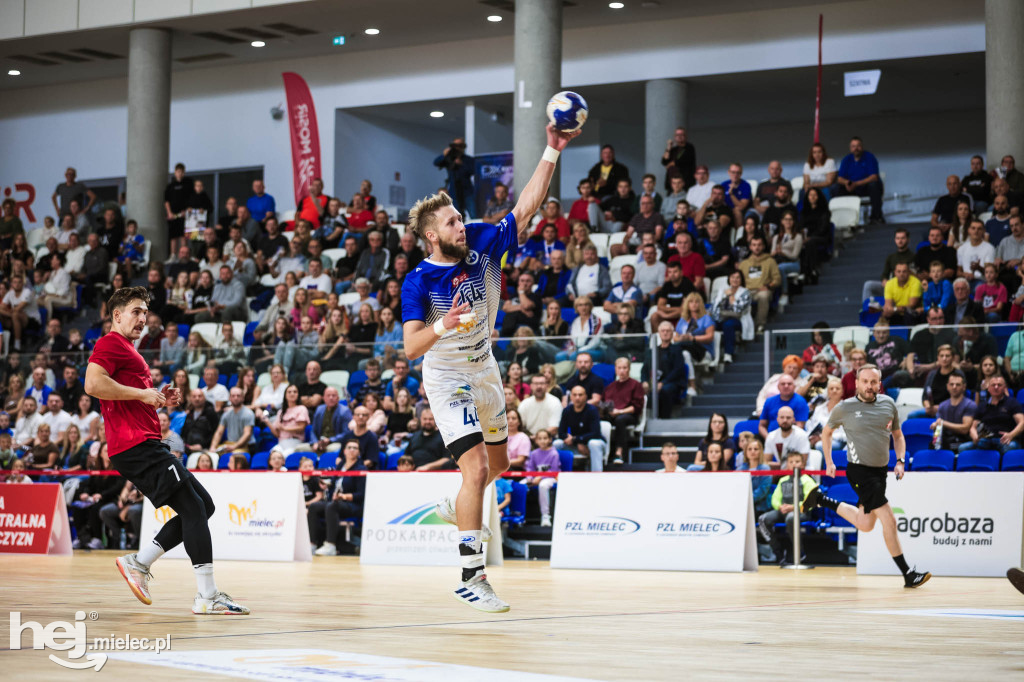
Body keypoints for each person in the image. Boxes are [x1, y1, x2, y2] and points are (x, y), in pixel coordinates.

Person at [398, 124, 580, 611]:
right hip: (447, 378)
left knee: (497, 467)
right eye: (454, 221)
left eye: (462, 218)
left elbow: (527, 207)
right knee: (477, 469)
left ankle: (456, 503)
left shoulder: (482, 241)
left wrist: (552, 149)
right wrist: (444, 324)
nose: (464, 224)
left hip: (486, 371)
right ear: (433, 236)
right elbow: (411, 348)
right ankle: (470, 576)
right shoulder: (418, 282)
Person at [84, 286, 248, 613]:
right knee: (195, 508)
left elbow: (128, 396)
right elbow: (92, 384)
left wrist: (157, 398)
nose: (143, 318)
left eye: (145, 312)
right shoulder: (110, 343)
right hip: (136, 445)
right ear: (117, 315)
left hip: (140, 443)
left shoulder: (129, 351)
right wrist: (142, 394)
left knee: (203, 506)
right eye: (135, 311)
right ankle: (205, 594)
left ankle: (141, 563)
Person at [806, 364, 931, 588]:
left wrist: (900, 461)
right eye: (865, 381)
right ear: (857, 383)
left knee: (865, 524)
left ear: (880, 383)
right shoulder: (845, 407)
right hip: (859, 471)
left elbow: (898, 436)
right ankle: (907, 573)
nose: (870, 386)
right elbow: (826, 433)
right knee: (889, 520)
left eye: (874, 382)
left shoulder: (888, 404)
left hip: (880, 471)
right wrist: (830, 461)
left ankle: (821, 499)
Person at [310, 438, 367, 556]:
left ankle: (330, 545)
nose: (351, 450)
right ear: (344, 451)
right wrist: (327, 485)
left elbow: (361, 494)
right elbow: (335, 483)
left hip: (352, 505)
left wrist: (344, 496)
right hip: (335, 501)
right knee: (314, 507)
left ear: (359, 452)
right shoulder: (340, 466)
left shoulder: (361, 469)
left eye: (355, 448)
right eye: (349, 447)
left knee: (332, 506)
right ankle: (312, 543)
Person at [757, 451, 816, 564]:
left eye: (797, 461)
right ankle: (778, 551)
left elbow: (811, 501)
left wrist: (793, 507)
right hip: (783, 510)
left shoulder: (807, 480)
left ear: (803, 464)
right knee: (762, 519)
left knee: (790, 518)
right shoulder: (782, 480)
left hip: (801, 512)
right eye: (791, 462)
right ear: (787, 465)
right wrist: (780, 506)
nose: (794, 464)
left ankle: (799, 552)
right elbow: (775, 498)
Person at [960, 374, 1023, 454]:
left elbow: (1022, 423)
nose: (996, 387)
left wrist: (1011, 435)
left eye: (999, 385)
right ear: (988, 388)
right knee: (962, 448)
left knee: (1011, 446)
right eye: (993, 385)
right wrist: (974, 435)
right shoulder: (982, 405)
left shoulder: (1012, 403)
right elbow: (973, 427)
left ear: (1004, 388)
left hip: (1004, 440)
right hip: (985, 439)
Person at [603, 357, 645, 465]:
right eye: (619, 368)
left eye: (624, 368)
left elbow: (636, 407)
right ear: (616, 369)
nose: (622, 370)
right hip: (612, 414)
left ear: (629, 369)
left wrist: (620, 411)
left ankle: (619, 452)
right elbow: (605, 403)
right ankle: (602, 451)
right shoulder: (610, 387)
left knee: (620, 420)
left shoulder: (635, 385)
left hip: (629, 415)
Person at [555, 385, 605, 472]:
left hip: (591, 444)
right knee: (557, 443)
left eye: (580, 395)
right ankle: (558, 474)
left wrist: (576, 439)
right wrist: (575, 441)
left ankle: (597, 476)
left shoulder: (592, 410)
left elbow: (595, 433)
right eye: (574, 395)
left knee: (594, 444)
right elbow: (561, 433)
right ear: (571, 397)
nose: (577, 398)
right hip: (575, 444)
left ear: (586, 396)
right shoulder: (567, 411)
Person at [836, 136, 885, 224]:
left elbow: (874, 177)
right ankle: (842, 219)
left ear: (862, 147)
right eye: (853, 146)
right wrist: (847, 183)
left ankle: (876, 218)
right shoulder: (846, 159)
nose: (856, 148)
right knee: (836, 188)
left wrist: (857, 184)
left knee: (874, 185)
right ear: (850, 148)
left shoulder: (869, 157)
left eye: (858, 146)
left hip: (866, 187)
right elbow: (840, 178)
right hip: (852, 189)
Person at [930, 370, 975, 451]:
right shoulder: (942, 406)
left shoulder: (970, 405)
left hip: (962, 441)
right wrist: (936, 426)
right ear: (947, 386)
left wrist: (943, 423)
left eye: (958, 384)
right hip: (946, 441)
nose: (954, 387)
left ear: (964, 387)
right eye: (951, 384)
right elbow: (939, 426)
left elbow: (965, 429)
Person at [525, 429, 561, 526]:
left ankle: (545, 515)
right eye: (540, 438)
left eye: (545, 438)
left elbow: (554, 471)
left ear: (550, 440)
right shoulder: (534, 453)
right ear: (536, 440)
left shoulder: (554, 453)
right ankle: (520, 514)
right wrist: (529, 478)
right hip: (536, 477)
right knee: (520, 485)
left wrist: (540, 477)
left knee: (543, 486)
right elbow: (530, 468)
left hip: (551, 478)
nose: (542, 441)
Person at [434, 137, 475, 215]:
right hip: (454, 192)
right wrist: (444, 155)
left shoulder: (468, 160)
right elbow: (436, 162)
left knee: (473, 214)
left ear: (463, 147)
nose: (457, 148)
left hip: (467, 191)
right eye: (455, 145)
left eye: (459, 146)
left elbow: (473, 170)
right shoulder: (449, 159)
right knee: (456, 215)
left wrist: (462, 164)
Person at [661, 127, 696, 192]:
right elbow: (664, 161)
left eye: (681, 135)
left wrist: (671, 164)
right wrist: (669, 147)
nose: (679, 137)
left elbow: (684, 160)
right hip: (671, 182)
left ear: (685, 136)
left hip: (685, 183)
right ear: (675, 137)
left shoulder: (689, 147)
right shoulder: (673, 149)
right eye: (677, 135)